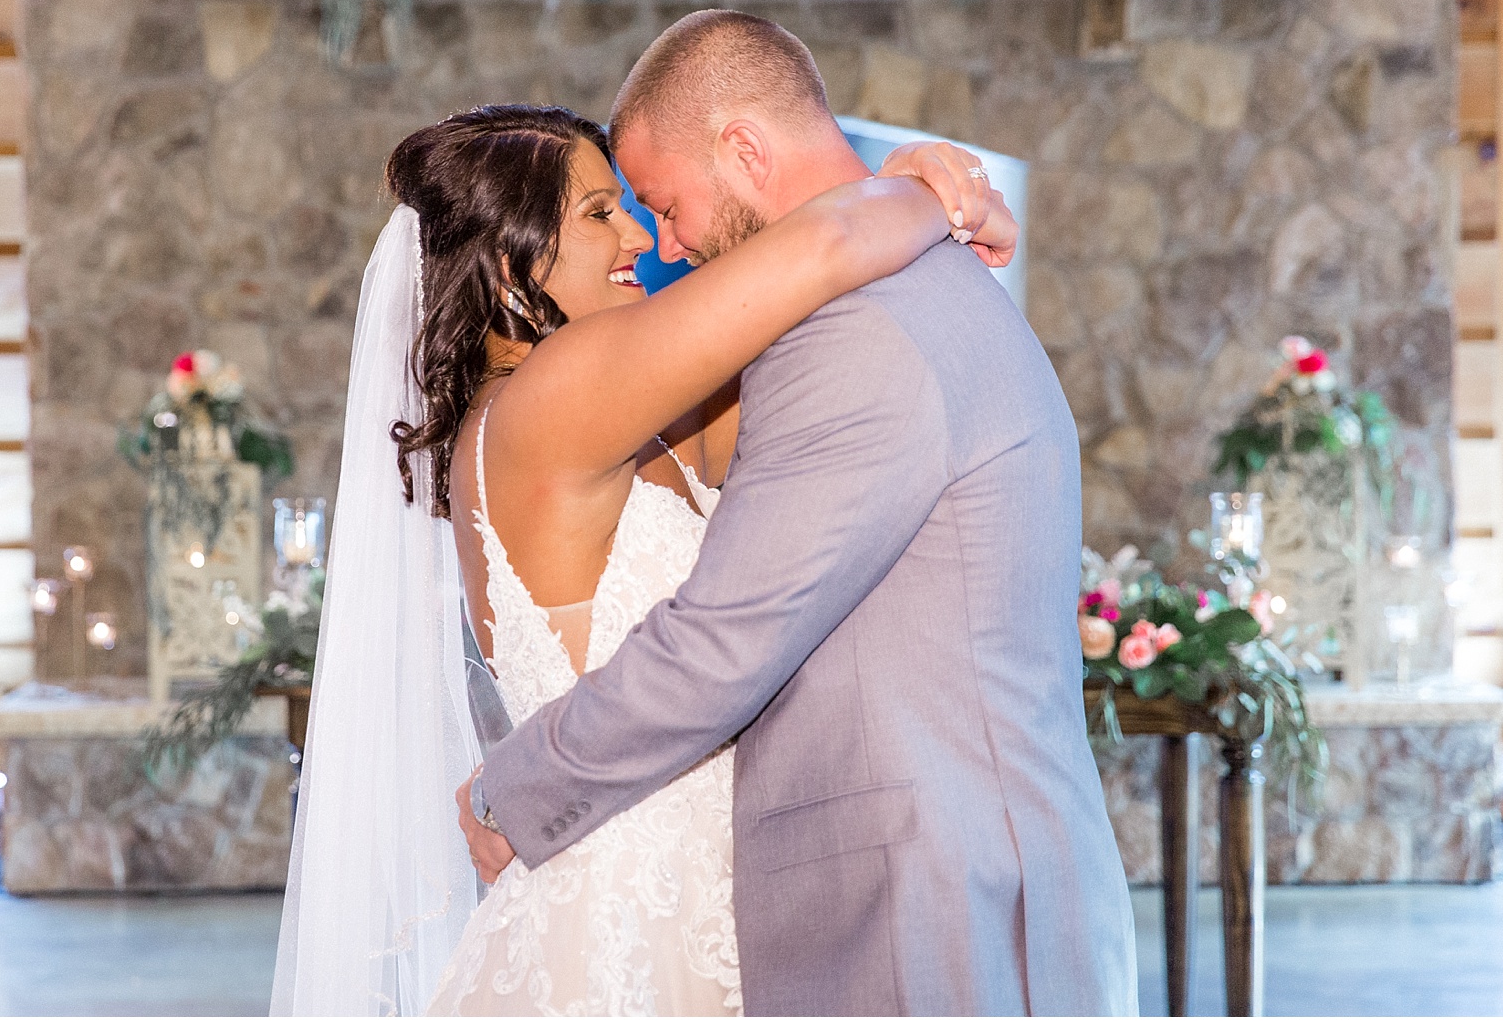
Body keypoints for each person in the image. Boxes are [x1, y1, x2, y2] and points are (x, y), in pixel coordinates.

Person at [270, 91, 1015, 1015]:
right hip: (626, 909)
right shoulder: (557, 390)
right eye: (599, 213)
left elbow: (809, 352)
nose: (643, 239)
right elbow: (823, 249)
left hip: (703, 886)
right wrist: (936, 187)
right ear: (510, 268)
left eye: (628, 203)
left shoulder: (632, 417)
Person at [459, 11, 1140, 1016]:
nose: (663, 241)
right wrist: (921, 186)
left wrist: (512, 790)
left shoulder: (851, 335)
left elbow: (727, 639)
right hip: (923, 873)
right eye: (615, 212)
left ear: (741, 147)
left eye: (658, 201)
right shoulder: (906, 289)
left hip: (924, 896)